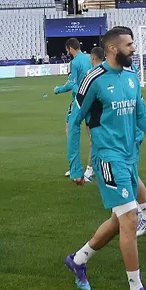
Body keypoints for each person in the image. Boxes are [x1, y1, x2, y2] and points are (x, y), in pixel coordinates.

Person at [63, 26, 146, 290]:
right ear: (112, 49)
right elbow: (75, 122)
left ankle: (78, 260)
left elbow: (141, 115)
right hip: (108, 159)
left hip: (130, 157)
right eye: (129, 44)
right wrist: (75, 166)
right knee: (130, 218)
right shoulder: (94, 80)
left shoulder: (132, 77)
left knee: (118, 220)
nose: (133, 49)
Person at [54, 38, 94, 182]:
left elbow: (72, 83)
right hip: (93, 99)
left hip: (80, 100)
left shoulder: (75, 62)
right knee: (93, 135)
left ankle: (75, 167)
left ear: (70, 49)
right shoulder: (90, 58)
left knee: (70, 128)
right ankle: (91, 168)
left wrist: (58, 89)